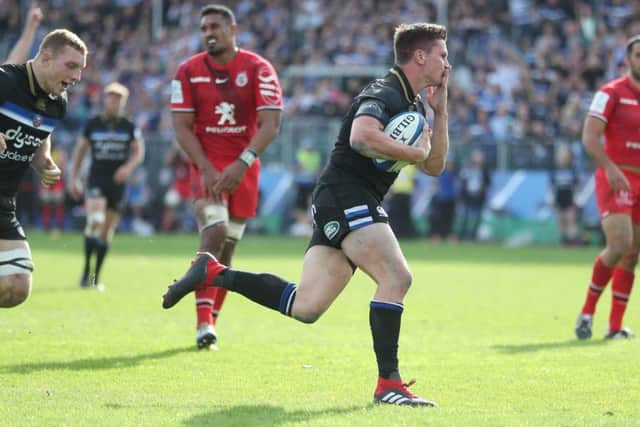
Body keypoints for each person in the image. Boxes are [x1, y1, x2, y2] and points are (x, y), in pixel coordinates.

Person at [163, 22, 451, 406]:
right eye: (442, 56)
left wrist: (441, 112)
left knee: (306, 307)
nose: (447, 64)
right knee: (396, 277)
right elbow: (361, 137)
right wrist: (414, 153)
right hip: (346, 194)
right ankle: (389, 384)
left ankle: (214, 272)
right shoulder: (385, 91)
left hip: (342, 198)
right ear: (420, 56)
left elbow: (435, 166)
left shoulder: (415, 103)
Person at [169, 4, 282, 350]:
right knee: (214, 232)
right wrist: (205, 168)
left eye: (215, 26)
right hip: (205, 166)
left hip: (243, 167)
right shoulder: (187, 72)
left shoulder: (258, 68)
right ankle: (203, 325)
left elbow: (270, 125)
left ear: (233, 31)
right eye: (204, 28)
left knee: (228, 250)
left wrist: (242, 162)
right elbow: (181, 127)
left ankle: (211, 322)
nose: (208, 33)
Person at [0, 29, 88, 307]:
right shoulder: (6, 81)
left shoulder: (57, 103)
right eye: (71, 66)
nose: (77, 77)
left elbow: (41, 134)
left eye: (81, 69)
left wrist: (44, 160)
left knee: (16, 286)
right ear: (46, 58)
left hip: (4, 202)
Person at [574, 35, 640, 340]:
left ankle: (615, 326)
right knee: (619, 245)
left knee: (632, 253)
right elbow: (589, 136)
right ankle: (587, 312)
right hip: (617, 177)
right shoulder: (611, 92)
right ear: (628, 59)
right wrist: (610, 166)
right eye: (638, 55)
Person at [69, 82, 145, 289]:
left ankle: (95, 278)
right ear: (104, 100)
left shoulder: (129, 126)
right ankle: (85, 272)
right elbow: (79, 152)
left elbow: (139, 152)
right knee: (95, 220)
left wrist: (128, 168)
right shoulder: (93, 124)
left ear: (123, 102)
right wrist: (73, 178)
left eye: (118, 99)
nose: (113, 102)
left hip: (117, 184)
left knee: (106, 231)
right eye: (110, 98)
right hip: (96, 179)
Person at [549, 146, 580, 246]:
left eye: (565, 156)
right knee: (560, 219)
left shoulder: (572, 170)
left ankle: (572, 240)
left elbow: (576, 185)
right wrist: (551, 198)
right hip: (559, 197)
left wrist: (576, 198)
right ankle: (562, 240)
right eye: (562, 156)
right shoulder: (554, 170)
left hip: (569, 197)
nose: (563, 158)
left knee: (570, 219)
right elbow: (551, 185)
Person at [458, 149, 491, 241]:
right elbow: (463, 180)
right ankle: (463, 235)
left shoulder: (485, 169)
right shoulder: (467, 167)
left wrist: (482, 191)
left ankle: (473, 235)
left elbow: (488, 182)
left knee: (477, 217)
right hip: (468, 195)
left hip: (479, 196)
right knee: (466, 216)